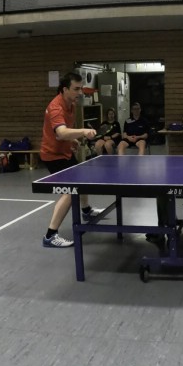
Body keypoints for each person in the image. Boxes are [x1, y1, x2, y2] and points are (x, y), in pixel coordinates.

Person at [40, 72, 103, 248]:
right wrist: (83, 132)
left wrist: (72, 140)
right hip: (53, 156)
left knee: (81, 178)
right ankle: (50, 235)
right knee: (70, 190)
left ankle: (86, 211)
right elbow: (61, 132)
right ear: (64, 89)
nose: (80, 92)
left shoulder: (71, 104)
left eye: (80, 88)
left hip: (64, 152)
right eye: (76, 89)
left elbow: (63, 132)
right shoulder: (56, 107)